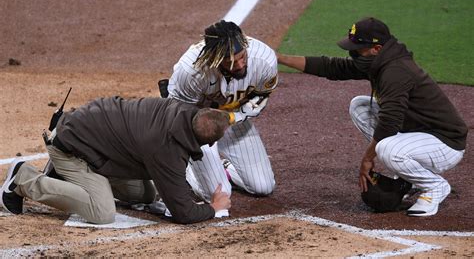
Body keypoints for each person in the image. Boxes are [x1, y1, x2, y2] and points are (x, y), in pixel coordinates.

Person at [277, 17, 468, 216]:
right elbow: (333, 67)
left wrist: (367, 159)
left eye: (357, 49)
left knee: (386, 148)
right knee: (360, 107)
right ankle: (408, 178)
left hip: (445, 144)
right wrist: (280, 58)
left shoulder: (395, 71)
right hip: (421, 134)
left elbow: (389, 123)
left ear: (376, 49)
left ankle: (435, 187)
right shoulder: (379, 60)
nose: (353, 54)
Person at [0, 96, 231, 224]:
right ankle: (24, 180)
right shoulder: (166, 149)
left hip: (88, 137)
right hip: (71, 148)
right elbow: (184, 213)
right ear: (207, 142)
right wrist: (213, 208)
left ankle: (61, 176)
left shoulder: (178, 109)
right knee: (102, 212)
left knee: (146, 195)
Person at [161, 20, 279, 203]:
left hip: (233, 119)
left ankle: (221, 168)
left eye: (242, 57)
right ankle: (183, 168)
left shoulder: (264, 60)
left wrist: (232, 117)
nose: (240, 65)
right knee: (216, 194)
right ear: (215, 59)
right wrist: (201, 131)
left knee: (263, 187)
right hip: (195, 126)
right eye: (230, 62)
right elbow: (178, 116)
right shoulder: (191, 71)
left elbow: (260, 97)